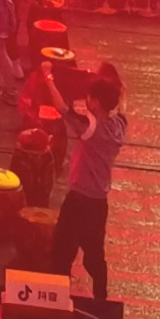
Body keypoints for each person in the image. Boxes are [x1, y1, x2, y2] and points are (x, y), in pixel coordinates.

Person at [53, 72, 125, 301]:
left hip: (78, 200)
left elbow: (61, 108)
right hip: (99, 204)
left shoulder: (90, 127)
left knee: (62, 253)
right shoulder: (119, 125)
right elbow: (120, 106)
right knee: (94, 257)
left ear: (95, 102)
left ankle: (58, 300)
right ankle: (101, 300)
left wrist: (47, 77)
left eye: (90, 97)